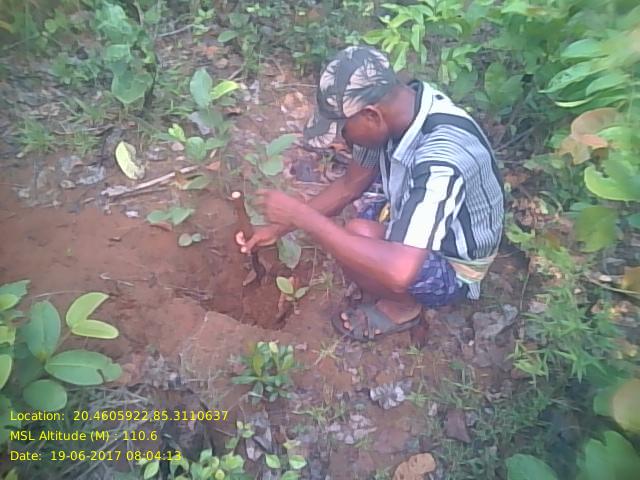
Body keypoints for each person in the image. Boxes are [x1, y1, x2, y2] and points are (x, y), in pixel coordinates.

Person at [236, 46, 504, 341]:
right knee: (357, 233)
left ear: (370, 115)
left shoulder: (442, 160)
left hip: (454, 261)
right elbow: (350, 185)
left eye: (344, 131)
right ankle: (381, 264)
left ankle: (404, 308)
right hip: (411, 212)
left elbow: (401, 270)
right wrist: (279, 227)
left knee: (359, 236)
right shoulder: (399, 110)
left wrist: (303, 218)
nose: (341, 140)